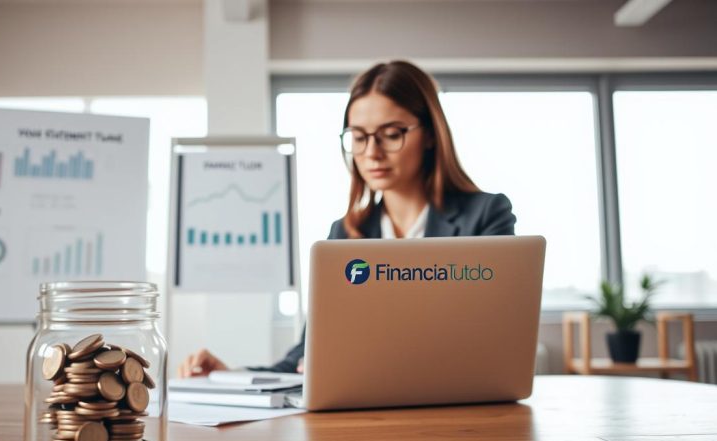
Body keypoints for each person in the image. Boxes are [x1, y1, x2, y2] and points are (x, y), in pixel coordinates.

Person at [177, 60, 516, 378]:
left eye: (392, 133)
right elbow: (306, 354)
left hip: (460, 410)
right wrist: (231, 377)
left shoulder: (486, 217)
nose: (372, 152)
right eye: (359, 136)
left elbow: (492, 337)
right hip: (367, 420)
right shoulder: (345, 234)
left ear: (429, 134)